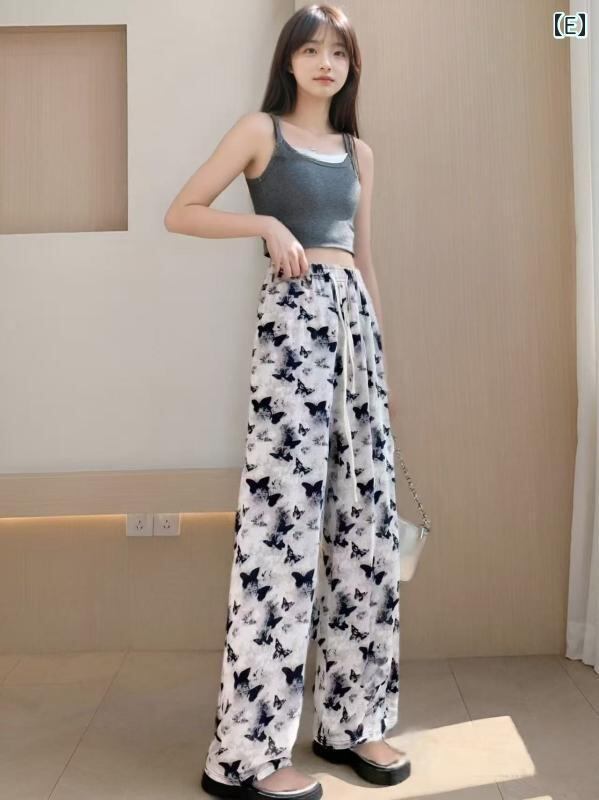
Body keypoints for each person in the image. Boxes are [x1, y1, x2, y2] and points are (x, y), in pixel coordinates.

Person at [164, 5, 410, 799]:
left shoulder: (359, 152)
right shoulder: (258, 131)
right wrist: (264, 222)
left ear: (351, 66)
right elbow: (181, 212)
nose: (324, 62)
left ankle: (353, 723)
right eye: (310, 49)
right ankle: (245, 755)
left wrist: (380, 367)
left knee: (363, 532)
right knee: (280, 534)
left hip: (355, 333)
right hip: (293, 330)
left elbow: (364, 259)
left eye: (337, 51)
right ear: (289, 60)